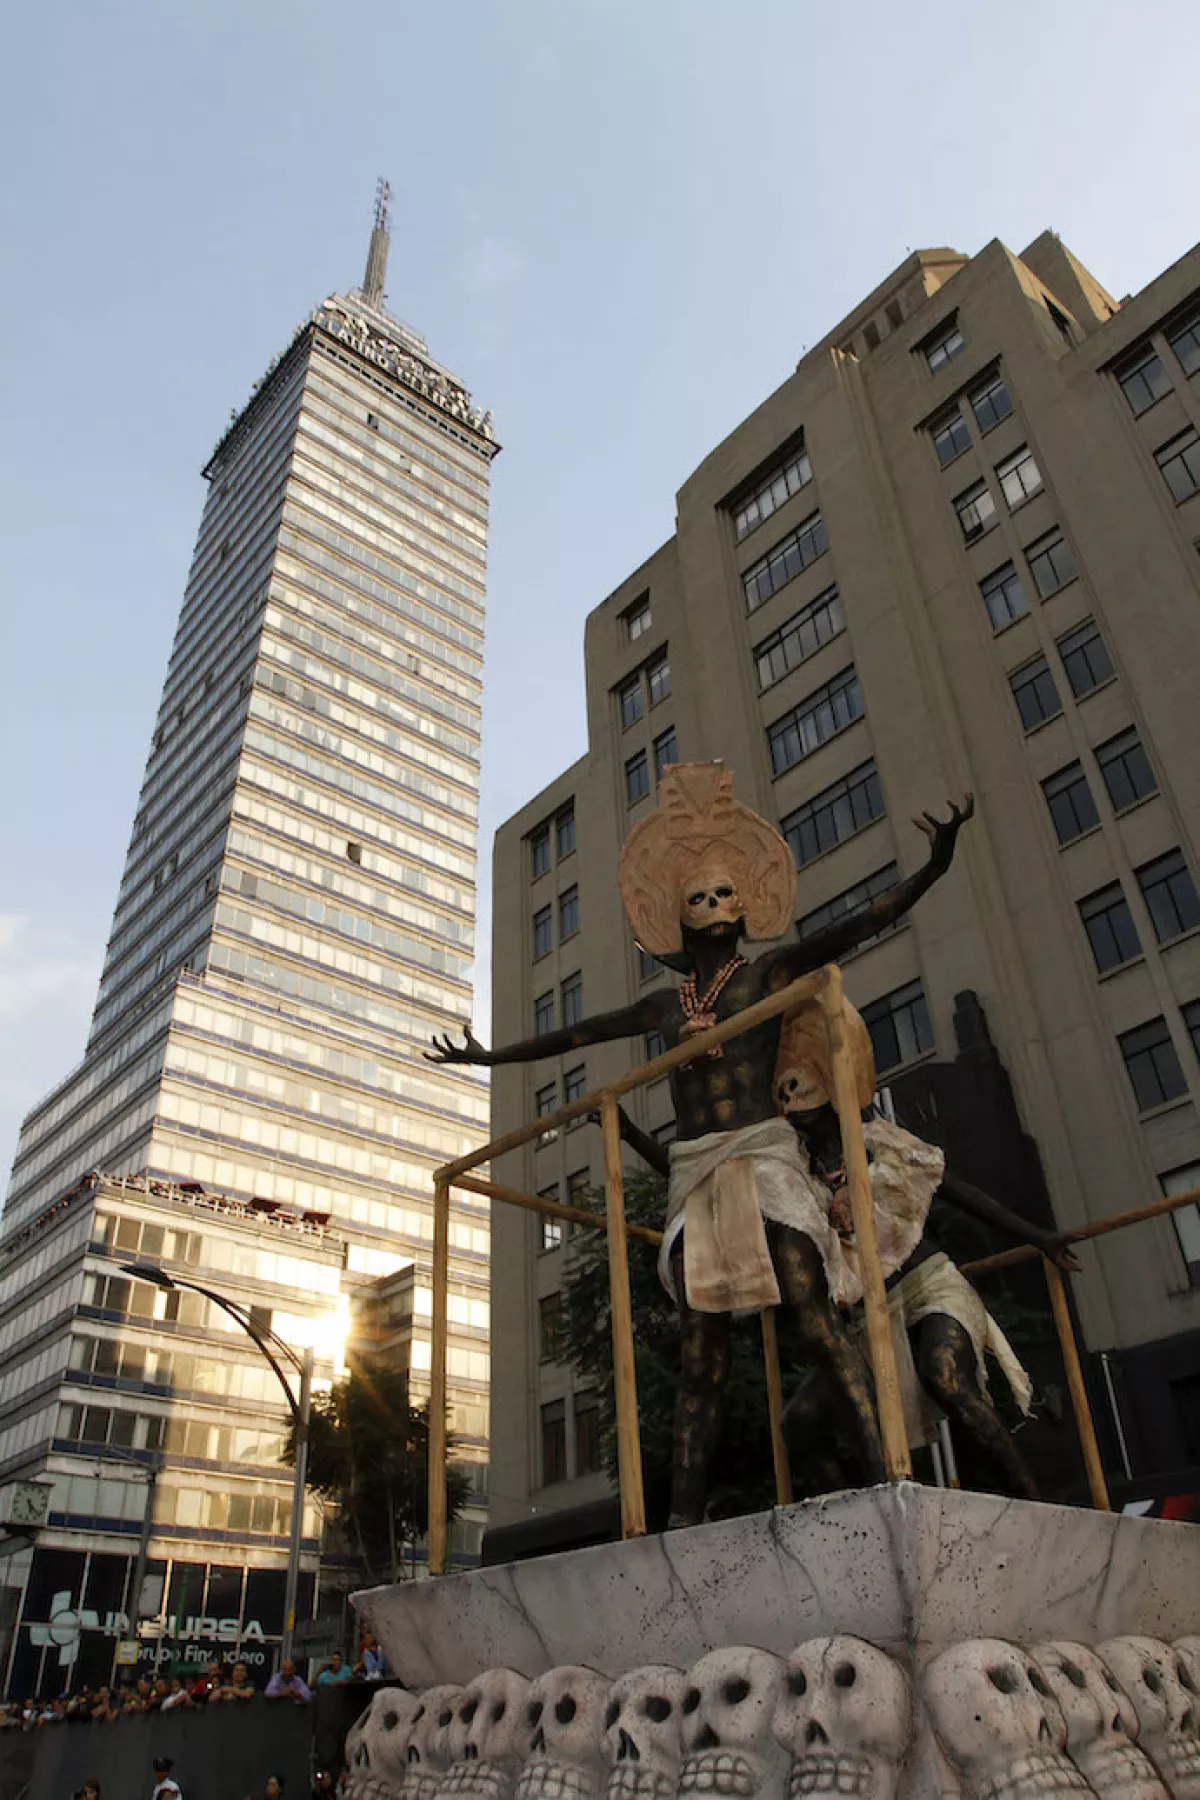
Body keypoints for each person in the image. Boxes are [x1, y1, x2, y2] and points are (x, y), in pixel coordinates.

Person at [429, 759, 973, 1525]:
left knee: (808, 1307)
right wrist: (489, 1056)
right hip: (696, 1170)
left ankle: (891, 1475)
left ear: (746, 906)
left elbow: (860, 920)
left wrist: (936, 864)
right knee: (700, 1347)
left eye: (725, 893)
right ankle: (681, 1518)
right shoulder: (662, 1005)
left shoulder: (770, 974)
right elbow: (576, 1033)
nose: (715, 904)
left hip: (765, 1154)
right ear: (678, 917)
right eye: (699, 897)